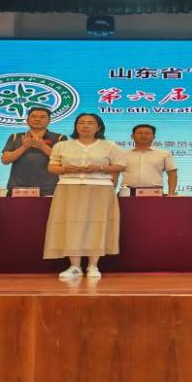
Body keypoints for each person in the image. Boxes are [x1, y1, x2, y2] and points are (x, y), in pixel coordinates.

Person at [44, 113, 126, 280]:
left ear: (98, 127)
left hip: (100, 188)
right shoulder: (62, 145)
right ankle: (74, 267)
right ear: (76, 126)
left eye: (90, 123)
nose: (85, 126)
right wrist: (64, 169)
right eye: (81, 123)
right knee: (70, 225)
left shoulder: (110, 146)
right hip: (69, 188)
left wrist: (100, 168)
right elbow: (52, 167)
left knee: (97, 225)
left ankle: (93, 266)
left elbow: (121, 166)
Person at [1, 107, 67, 196]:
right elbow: (5, 160)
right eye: (34, 116)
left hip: (50, 189)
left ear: (49, 121)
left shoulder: (59, 138)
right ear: (27, 120)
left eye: (42, 117)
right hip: (18, 189)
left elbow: (64, 161)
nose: (37, 119)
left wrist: (42, 146)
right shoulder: (15, 137)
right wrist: (24, 147)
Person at [119, 124, 178, 196]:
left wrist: (171, 193)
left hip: (154, 192)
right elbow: (114, 174)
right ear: (132, 136)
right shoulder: (122, 154)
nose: (143, 136)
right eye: (140, 133)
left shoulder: (164, 154)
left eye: (147, 133)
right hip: (127, 192)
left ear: (154, 137)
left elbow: (172, 174)